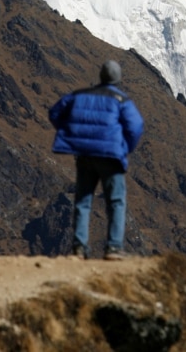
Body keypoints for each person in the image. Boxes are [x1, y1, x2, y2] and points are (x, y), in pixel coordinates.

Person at [49, 59, 144, 260]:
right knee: (116, 201)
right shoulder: (121, 99)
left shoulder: (79, 95)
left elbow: (55, 112)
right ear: (117, 79)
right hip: (111, 156)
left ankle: (79, 248)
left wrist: (70, 133)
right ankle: (113, 248)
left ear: (100, 76)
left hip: (85, 154)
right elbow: (135, 126)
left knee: (83, 200)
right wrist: (126, 146)